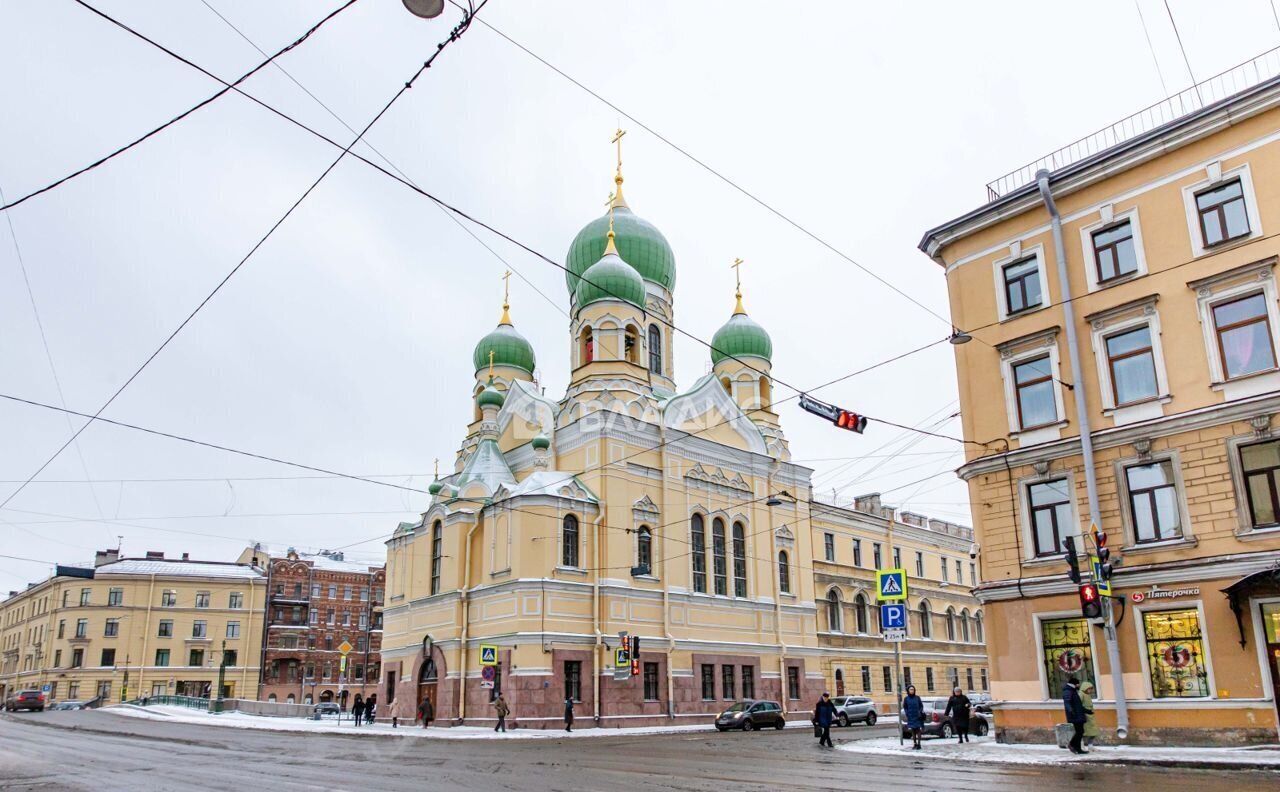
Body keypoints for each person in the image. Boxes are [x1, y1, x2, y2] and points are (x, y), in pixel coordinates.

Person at [1062, 677, 1087, 754]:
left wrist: (1086, 711)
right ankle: (1072, 744)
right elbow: (1067, 702)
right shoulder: (1068, 691)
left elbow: (1077, 704)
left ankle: (1078, 749)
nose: (1079, 685)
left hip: (1077, 714)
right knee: (1079, 731)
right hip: (1074, 715)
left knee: (1080, 731)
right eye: (1078, 684)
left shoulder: (1072, 691)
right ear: (1074, 684)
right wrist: (1071, 710)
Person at [902, 685, 925, 750]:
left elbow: (921, 706)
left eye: (913, 689)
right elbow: (905, 707)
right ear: (908, 691)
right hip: (911, 716)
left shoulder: (917, 698)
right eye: (910, 689)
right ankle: (914, 743)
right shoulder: (906, 699)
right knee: (913, 730)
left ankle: (919, 744)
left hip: (917, 716)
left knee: (918, 730)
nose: (912, 691)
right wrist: (907, 713)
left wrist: (920, 711)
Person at [1080, 682, 1100, 748]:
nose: (1090, 691)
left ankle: (1090, 744)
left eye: (1091, 689)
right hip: (1085, 715)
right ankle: (1082, 743)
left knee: (1093, 731)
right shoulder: (1081, 694)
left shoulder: (1087, 695)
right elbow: (1079, 705)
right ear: (1085, 688)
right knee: (1084, 731)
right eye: (1089, 689)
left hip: (1090, 715)